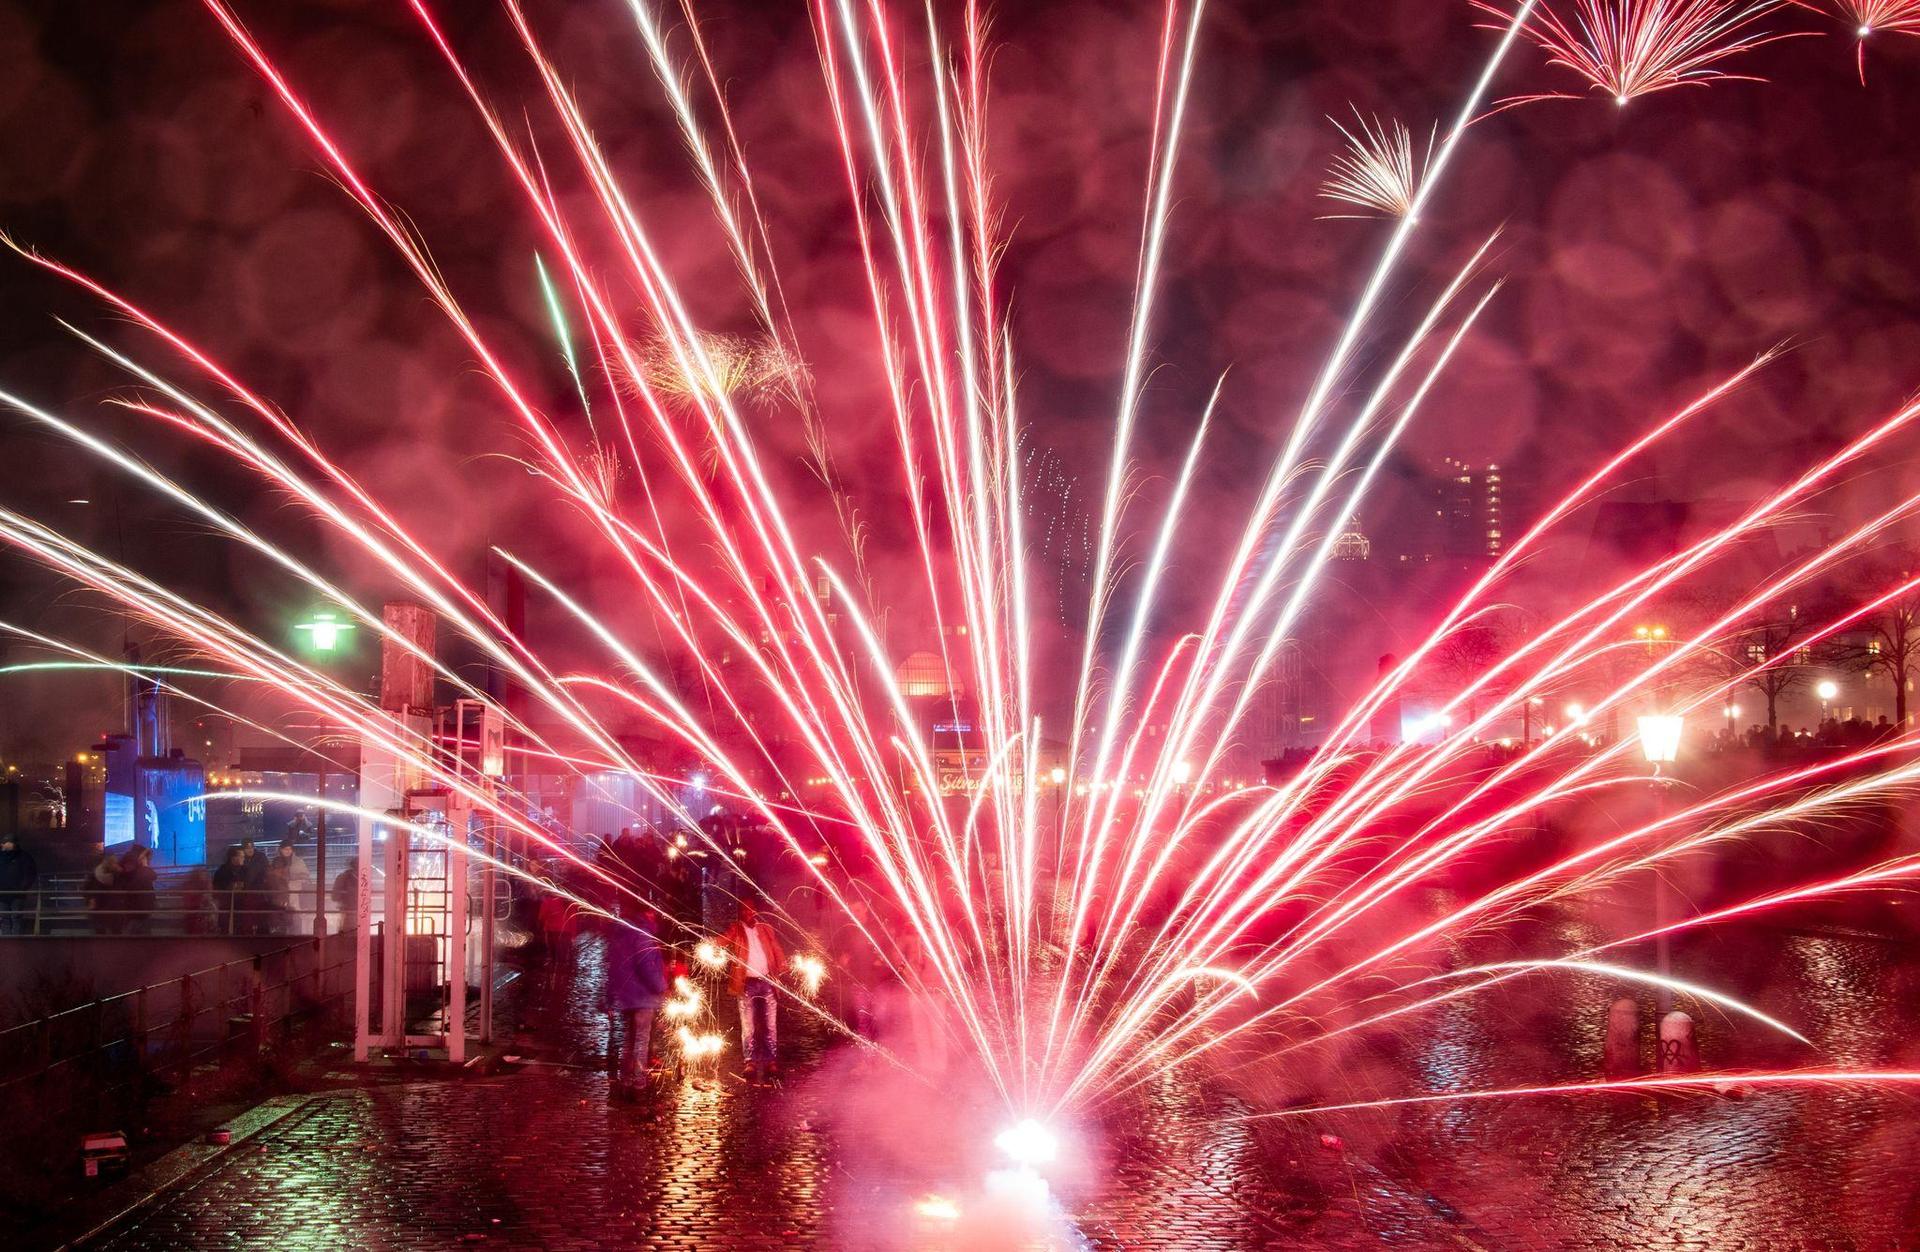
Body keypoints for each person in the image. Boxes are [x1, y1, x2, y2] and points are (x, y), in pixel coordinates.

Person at [603, 904, 668, 1102]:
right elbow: (646, 964)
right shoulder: (643, 934)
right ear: (646, 913)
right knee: (641, 1041)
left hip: (627, 997)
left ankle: (625, 1081)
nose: (654, 915)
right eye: (651, 911)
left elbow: (612, 967)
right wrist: (661, 987)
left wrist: (610, 996)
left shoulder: (621, 933)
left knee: (629, 1041)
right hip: (643, 996)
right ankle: (639, 1083)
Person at [723, 898, 786, 1081]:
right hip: (746, 983)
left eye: (750, 909)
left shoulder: (765, 928)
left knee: (770, 1025)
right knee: (748, 1025)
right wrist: (710, 944)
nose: (747, 912)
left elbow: (775, 947)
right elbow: (724, 939)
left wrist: (783, 963)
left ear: (755, 911)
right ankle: (750, 1062)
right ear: (740, 912)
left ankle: (770, 1060)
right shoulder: (736, 929)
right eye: (744, 910)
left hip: (767, 981)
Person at [0, 834, 37, 934]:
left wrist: (22, 888)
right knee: (5, 918)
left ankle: (16, 939)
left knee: (16, 917)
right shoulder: (1, 856)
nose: (3, 845)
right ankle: (7, 940)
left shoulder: (24, 857)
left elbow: (30, 874)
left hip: (17, 894)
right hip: (2, 894)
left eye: (6, 843)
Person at [85, 843, 122, 934]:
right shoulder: (117, 875)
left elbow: (87, 888)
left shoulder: (95, 873)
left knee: (101, 931)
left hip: (99, 906)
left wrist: (90, 899)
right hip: (112, 907)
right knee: (115, 931)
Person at [119, 845, 157, 934]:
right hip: (139, 904)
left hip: (137, 904)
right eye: (148, 858)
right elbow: (153, 876)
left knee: (137, 928)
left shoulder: (130, 860)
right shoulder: (135, 865)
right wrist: (145, 865)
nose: (149, 861)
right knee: (137, 929)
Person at [212, 846, 248, 934]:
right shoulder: (222, 872)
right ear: (233, 858)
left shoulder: (246, 870)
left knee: (241, 929)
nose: (243, 859)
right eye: (241, 856)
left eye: (243, 856)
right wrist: (229, 887)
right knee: (225, 928)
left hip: (242, 905)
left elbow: (249, 885)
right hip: (226, 906)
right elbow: (216, 889)